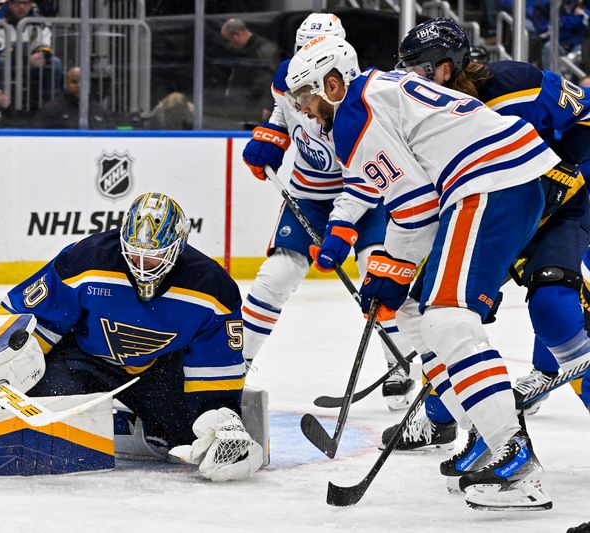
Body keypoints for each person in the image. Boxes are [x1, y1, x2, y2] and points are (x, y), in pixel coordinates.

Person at [287, 34, 567, 509]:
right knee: (418, 311)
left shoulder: (356, 112)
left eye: (307, 99)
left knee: (446, 318)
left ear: (331, 84)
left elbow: (415, 208)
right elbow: (392, 190)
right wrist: (371, 256)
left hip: (490, 182)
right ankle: (486, 430)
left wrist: (386, 270)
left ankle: (514, 457)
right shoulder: (374, 93)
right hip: (497, 181)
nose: (305, 112)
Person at [0, 192, 263, 483]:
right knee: (23, 412)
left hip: (153, 372)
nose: (141, 264)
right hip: (83, 361)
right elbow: (26, 315)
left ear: (178, 246)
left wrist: (220, 417)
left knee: (195, 441)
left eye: (152, 255)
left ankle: (142, 429)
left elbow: (215, 369)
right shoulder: (87, 259)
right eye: (133, 253)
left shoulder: (213, 287)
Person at [390, 18, 590, 450]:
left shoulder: (516, 82)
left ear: (447, 67)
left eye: (419, 68)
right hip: (494, 218)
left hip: (559, 210)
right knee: (438, 314)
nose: (410, 80)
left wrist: (560, 166)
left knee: (554, 303)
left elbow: (587, 115)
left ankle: (547, 371)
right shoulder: (422, 114)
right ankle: (440, 417)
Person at [240, 13, 415, 411]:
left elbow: (363, 178)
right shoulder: (289, 77)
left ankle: (399, 364)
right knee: (275, 276)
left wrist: (342, 227)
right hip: (308, 195)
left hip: (366, 198)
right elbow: (283, 111)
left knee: (378, 274)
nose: (304, 59)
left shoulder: (359, 101)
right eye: (301, 49)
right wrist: (271, 138)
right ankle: (238, 363)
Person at [0, 0, 62, 110]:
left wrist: (41, 54)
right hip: (2, 61)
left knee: (55, 63)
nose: (21, 7)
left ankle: (50, 107)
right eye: (17, 3)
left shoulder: (38, 21)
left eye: (25, 3)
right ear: (10, 3)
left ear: (31, 4)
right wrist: (12, 53)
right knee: (0, 63)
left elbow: (44, 41)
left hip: (28, 63)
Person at [220, 18, 280, 123]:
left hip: (256, 110)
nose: (228, 45)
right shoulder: (242, 51)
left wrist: (267, 106)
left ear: (236, 35)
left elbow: (271, 80)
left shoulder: (263, 50)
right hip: (243, 107)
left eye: (228, 40)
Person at [34, 66, 108, 129]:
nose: (79, 85)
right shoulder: (51, 109)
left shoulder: (99, 110)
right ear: (66, 85)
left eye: (84, 81)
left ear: (89, 85)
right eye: (74, 82)